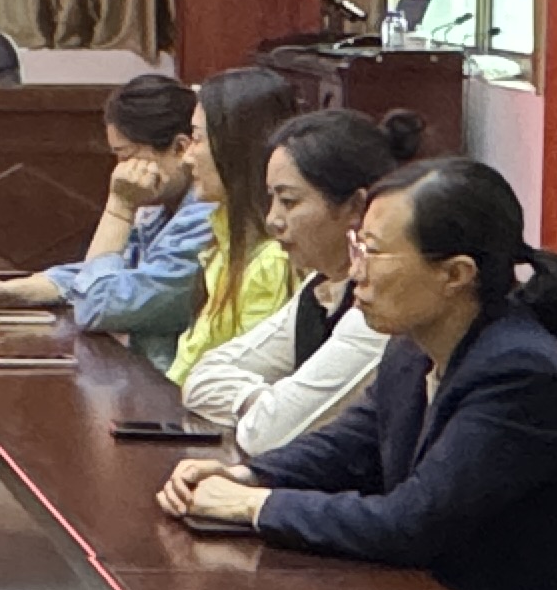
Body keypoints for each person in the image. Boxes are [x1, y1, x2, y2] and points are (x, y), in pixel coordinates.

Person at [163, 157, 557, 590]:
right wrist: (244, 474)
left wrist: (254, 505)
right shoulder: (410, 348)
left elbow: (411, 522)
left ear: (456, 274)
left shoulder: (521, 375)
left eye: (374, 252)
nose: (355, 271)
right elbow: (348, 448)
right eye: (357, 245)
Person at [179, 107, 424, 452]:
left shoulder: (380, 308)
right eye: (271, 199)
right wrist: (267, 402)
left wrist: (274, 410)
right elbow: (202, 376)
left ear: (356, 207)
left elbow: (269, 435)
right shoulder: (319, 289)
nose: (272, 220)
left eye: (289, 201)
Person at [0, 75, 214, 361]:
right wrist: (11, 291)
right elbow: (99, 275)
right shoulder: (159, 206)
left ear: (180, 148)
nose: (118, 170)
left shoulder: (203, 218)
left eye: (125, 156)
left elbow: (97, 305)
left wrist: (119, 208)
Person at [158, 67, 305, 387]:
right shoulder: (222, 240)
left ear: (237, 147)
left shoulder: (273, 262)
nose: (187, 158)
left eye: (198, 139)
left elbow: (243, 383)